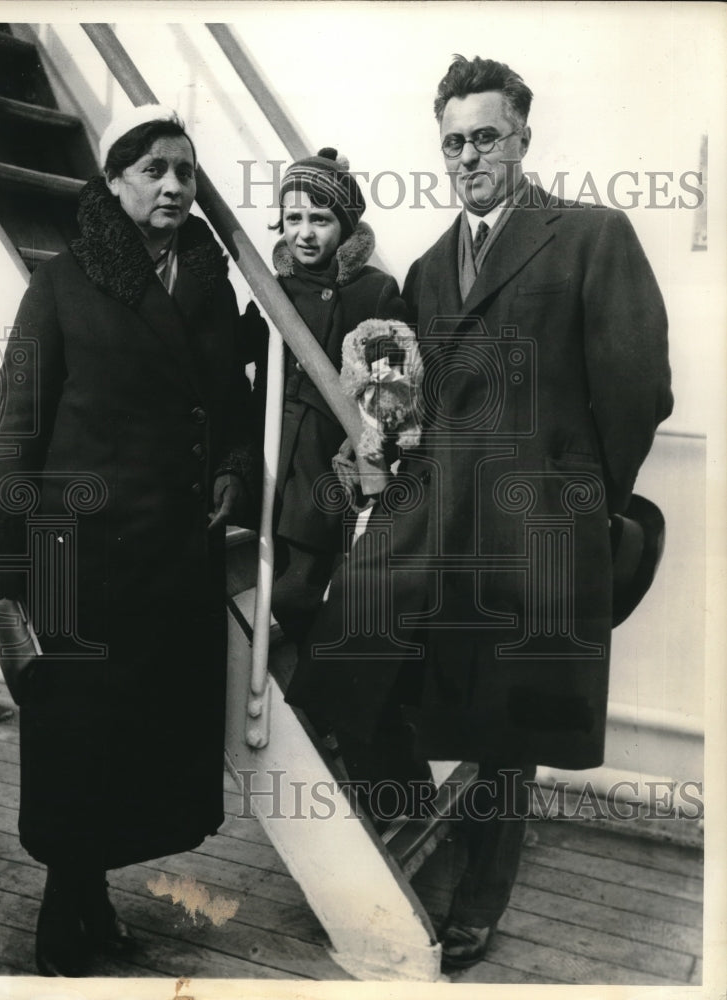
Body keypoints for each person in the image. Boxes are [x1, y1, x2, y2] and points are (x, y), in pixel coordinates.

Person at [286, 55, 673, 969]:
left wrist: (578, 502)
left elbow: (637, 390)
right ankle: (413, 830)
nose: (467, 157)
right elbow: (410, 409)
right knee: (346, 663)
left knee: (510, 725)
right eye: (452, 141)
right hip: (439, 528)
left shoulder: (590, 236)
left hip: (534, 534)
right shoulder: (424, 269)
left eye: (485, 138)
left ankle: (480, 897)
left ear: (523, 139)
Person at [0, 105, 260, 977]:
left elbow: (230, 402)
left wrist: (233, 466)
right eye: (154, 171)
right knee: (75, 736)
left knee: (140, 738)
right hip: (75, 554)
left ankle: (92, 900)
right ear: (114, 182)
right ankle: (63, 914)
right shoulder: (62, 282)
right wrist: (6, 574)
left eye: (185, 171)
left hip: (169, 549)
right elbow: (14, 426)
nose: (174, 185)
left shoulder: (208, 284)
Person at [270, 147, 407, 644]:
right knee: (276, 574)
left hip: (326, 459)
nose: (305, 232)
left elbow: (392, 384)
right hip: (275, 451)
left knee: (295, 593)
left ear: (346, 227)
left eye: (321, 219)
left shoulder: (373, 290)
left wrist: (367, 445)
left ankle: (326, 677)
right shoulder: (273, 288)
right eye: (294, 218)